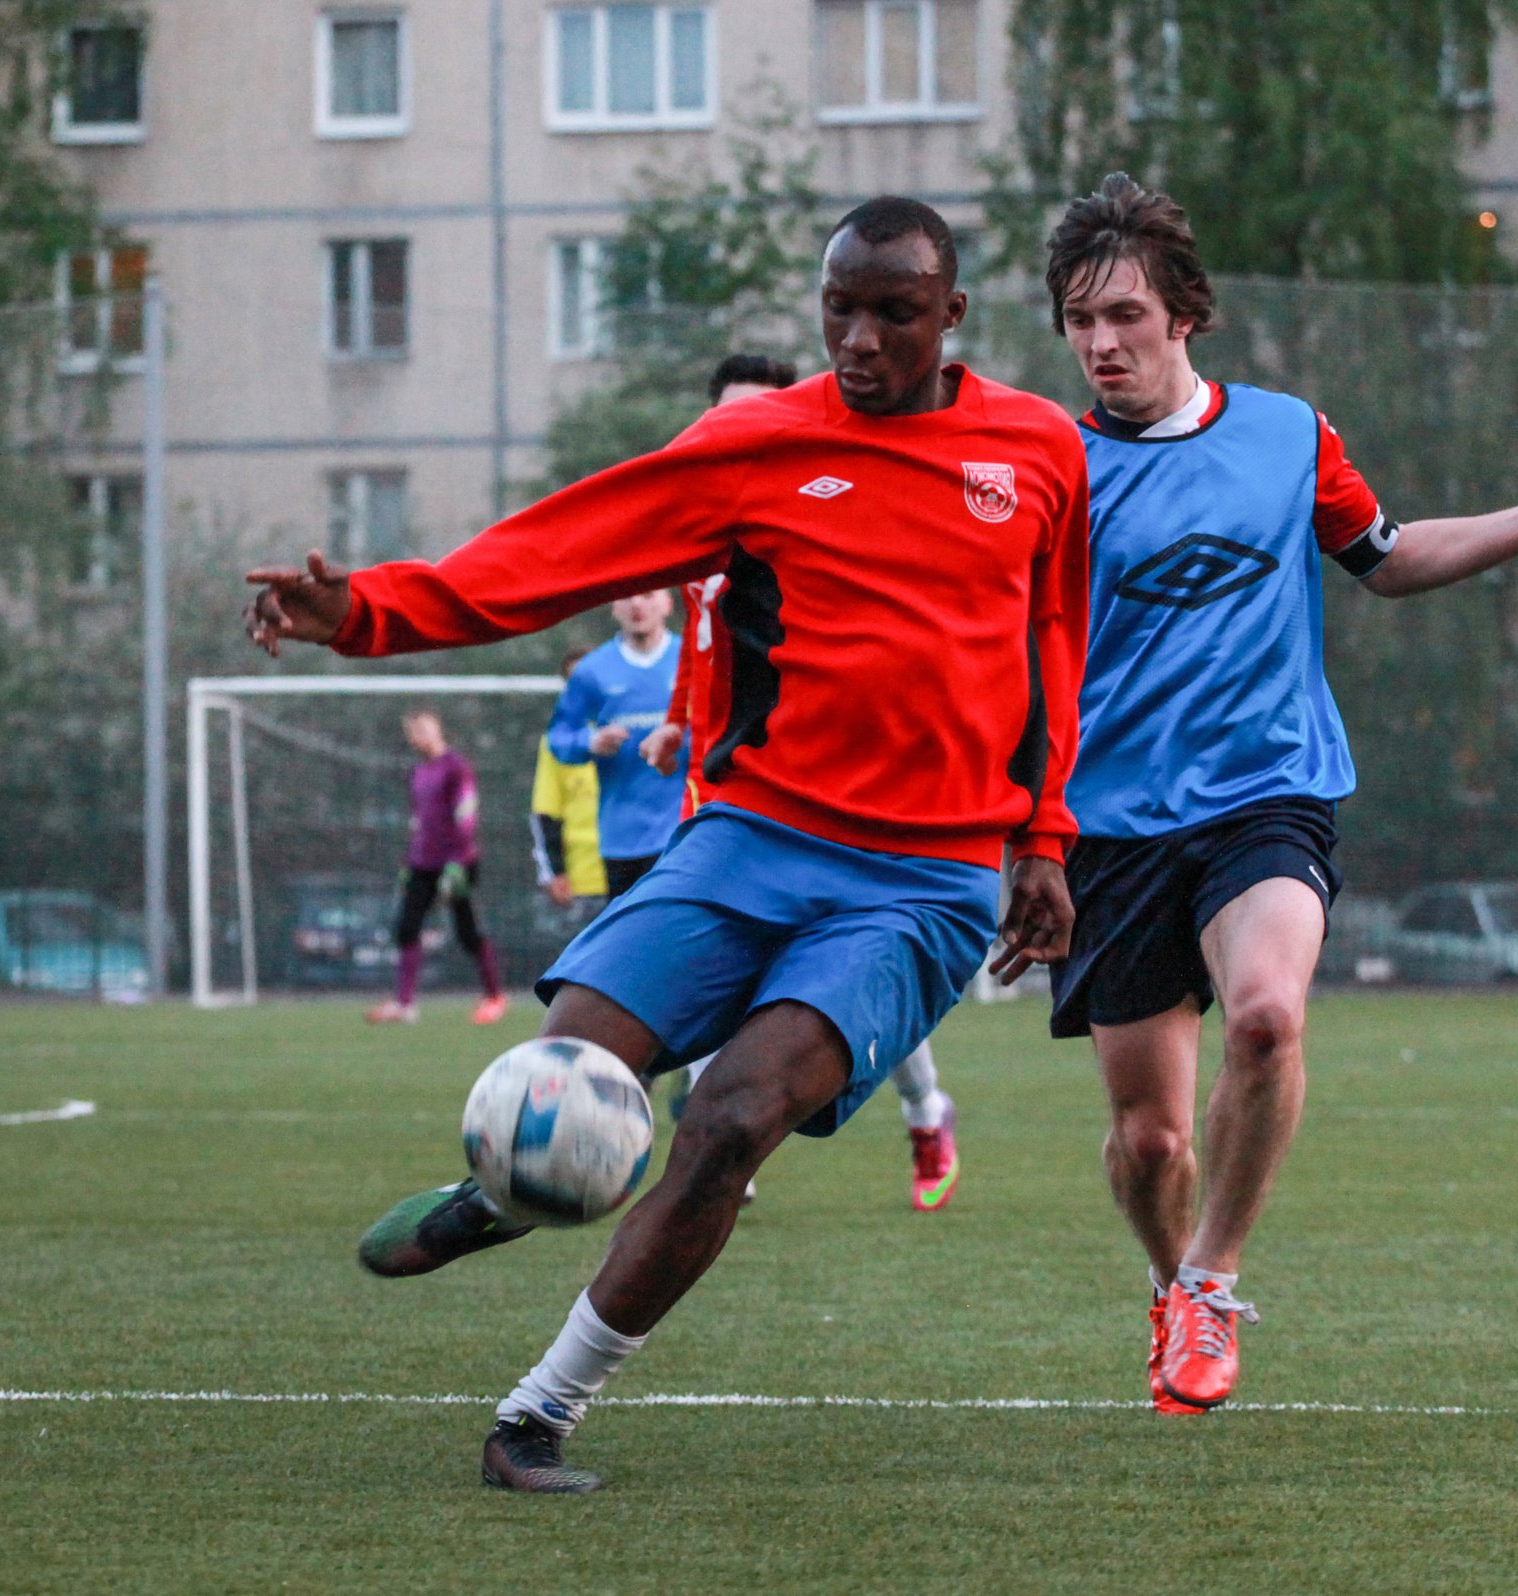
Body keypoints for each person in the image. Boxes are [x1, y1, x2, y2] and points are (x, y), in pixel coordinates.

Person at [246, 196, 1089, 1492]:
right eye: (840, 311)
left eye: (896, 314)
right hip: (753, 834)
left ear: (953, 315)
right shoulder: (756, 442)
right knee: (571, 1061)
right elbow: (559, 549)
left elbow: (1055, 642)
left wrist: (1045, 837)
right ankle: (507, 1191)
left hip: (922, 881)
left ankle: (537, 1415)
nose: (861, 340)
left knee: (730, 1118)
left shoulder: (1037, 449)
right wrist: (366, 611)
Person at [1035, 174, 1518, 1417]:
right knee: (1149, 1142)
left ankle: (1212, 1281)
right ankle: (1169, 1280)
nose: (1101, 343)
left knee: (1265, 1018)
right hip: (1113, 829)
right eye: (1080, 321)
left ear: (1183, 314)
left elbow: (1385, 557)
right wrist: (1015, 839)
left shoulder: (1287, 435)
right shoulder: (1050, 470)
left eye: (1125, 315)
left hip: (1269, 792)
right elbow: (999, 657)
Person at [641, 352, 963, 1212]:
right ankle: (718, 1151)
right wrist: (676, 719)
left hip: (822, 793)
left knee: (853, 984)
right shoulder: (699, 522)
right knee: (711, 968)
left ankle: (926, 1109)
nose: (741, 429)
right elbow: (702, 640)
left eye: (759, 411)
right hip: (719, 788)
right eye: (725, 415)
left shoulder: (826, 518)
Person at [368, 709, 511, 1027]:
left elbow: (466, 813)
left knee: (467, 930)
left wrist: (458, 862)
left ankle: (494, 997)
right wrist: (409, 860)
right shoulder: (417, 772)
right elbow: (418, 819)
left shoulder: (456, 766)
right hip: (422, 863)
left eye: (421, 729)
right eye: (411, 732)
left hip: (456, 863)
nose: (415, 737)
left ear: (437, 729)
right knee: (406, 927)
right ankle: (404, 1004)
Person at [549, 591, 687, 900]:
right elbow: (558, 738)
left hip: (684, 831)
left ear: (667, 602)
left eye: (648, 594)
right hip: (622, 837)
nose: (636, 604)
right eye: (627, 596)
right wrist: (591, 741)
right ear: (614, 606)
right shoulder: (592, 670)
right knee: (630, 926)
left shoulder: (692, 660)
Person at [531, 645, 609, 926]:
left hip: (639, 871)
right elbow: (546, 813)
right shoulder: (555, 744)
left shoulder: (638, 729)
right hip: (583, 882)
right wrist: (555, 872)